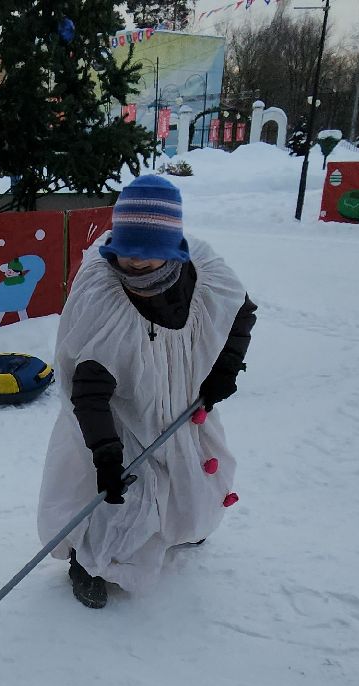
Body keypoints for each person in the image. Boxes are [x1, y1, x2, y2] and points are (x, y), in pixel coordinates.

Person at [36, 175, 257, 609]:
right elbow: (90, 389)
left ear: (171, 251)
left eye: (147, 257)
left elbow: (241, 313)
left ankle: (178, 528)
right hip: (119, 412)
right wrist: (104, 452)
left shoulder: (203, 270)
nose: (134, 264)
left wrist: (225, 370)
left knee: (188, 475)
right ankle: (89, 560)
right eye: (126, 252)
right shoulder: (102, 297)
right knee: (125, 496)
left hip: (182, 400)